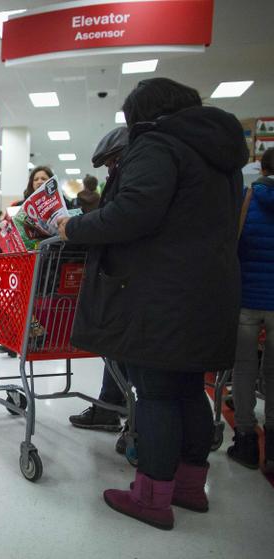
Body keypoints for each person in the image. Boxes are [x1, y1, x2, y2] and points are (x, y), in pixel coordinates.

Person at [58, 78, 247, 530]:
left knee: (157, 393)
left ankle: (151, 496)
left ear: (143, 115)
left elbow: (133, 213)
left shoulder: (159, 145)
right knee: (187, 390)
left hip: (162, 293)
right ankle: (188, 487)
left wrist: (74, 227)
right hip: (209, 290)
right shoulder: (221, 156)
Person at [68, 127, 130, 438]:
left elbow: (116, 219)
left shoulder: (139, 177)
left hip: (128, 277)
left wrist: (72, 227)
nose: (108, 170)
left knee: (124, 344)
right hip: (130, 276)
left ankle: (130, 418)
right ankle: (113, 406)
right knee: (121, 343)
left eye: (111, 163)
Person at [228, 147, 274, 473]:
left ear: (262, 169)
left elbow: (235, 245)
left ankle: (245, 440)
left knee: (243, 371)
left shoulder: (246, 199)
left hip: (246, 300)